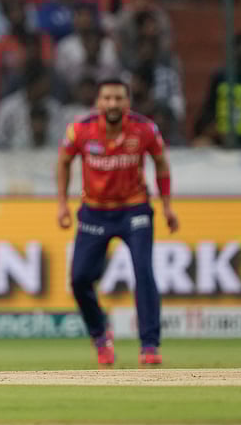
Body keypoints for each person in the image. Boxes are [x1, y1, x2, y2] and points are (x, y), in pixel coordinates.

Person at [56, 78, 179, 367]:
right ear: (98, 103)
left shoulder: (145, 129)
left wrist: (167, 206)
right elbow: (63, 161)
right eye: (107, 98)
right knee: (79, 279)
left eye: (119, 98)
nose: (113, 104)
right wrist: (62, 204)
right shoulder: (80, 130)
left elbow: (161, 163)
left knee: (143, 271)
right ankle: (100, 334)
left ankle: (150, 344)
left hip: (134, 209)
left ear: (128, 102)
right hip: (95, 212)